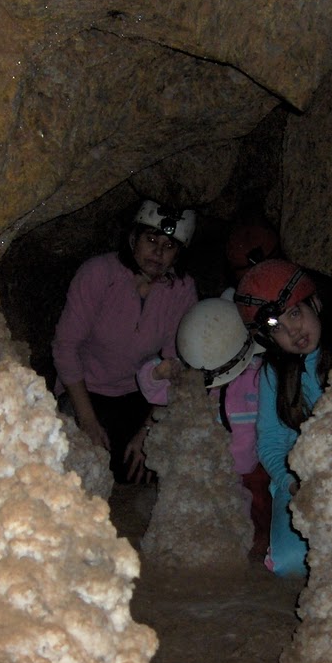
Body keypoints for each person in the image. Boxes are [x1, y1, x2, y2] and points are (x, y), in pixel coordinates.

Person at [235, 259, 332, 577]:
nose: (292, 331)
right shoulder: (273, 372)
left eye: (295, 313)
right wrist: (294, 485)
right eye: (276, 327)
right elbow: (271, 439)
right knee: (291, 564)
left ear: (315, 304)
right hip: (300, 482)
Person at [52, 200, 199, 484]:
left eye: (169, 246)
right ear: (134, 239)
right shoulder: (99, 274)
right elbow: (65, 346)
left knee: (155, 464)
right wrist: (87, 420)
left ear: (178, 255)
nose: (157, 252)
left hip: (142, 393)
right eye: (151, 239)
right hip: (86, 389)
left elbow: (175, 367)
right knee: (78, 463)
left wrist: (149, 433)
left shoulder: (181, 290)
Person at [138, 298, 272, 560]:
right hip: (210, 476)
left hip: (253, 472)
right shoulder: (195, 382)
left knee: (258, 529)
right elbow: (153, 392)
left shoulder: (259, 377)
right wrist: (157, 373)